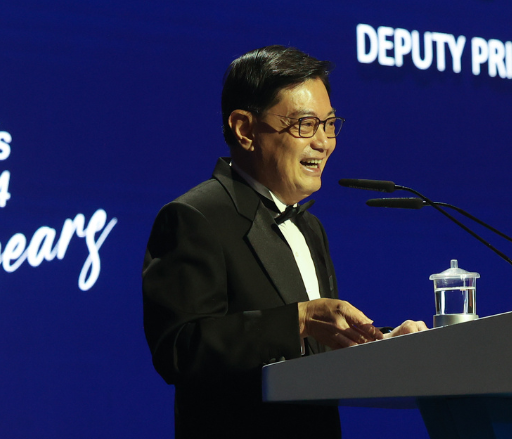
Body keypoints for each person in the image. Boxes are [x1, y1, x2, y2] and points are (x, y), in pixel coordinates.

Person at [143, 46, 427, 438]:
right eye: (305, 124)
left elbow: (314, 358)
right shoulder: (195, 217)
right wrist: (301, 318)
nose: (324, 143)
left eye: (329, 125)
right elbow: (179, 349)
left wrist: (378, 346)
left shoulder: (311, 228)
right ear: (244, 129)